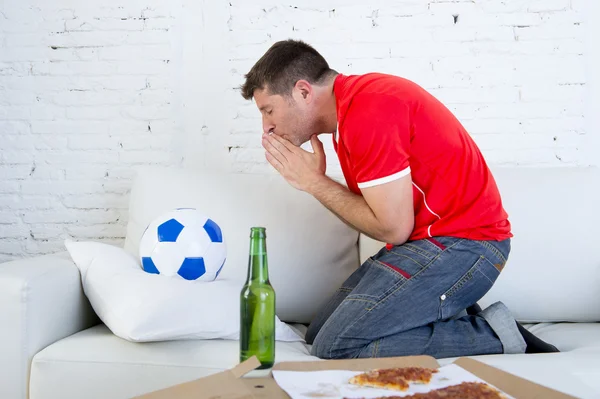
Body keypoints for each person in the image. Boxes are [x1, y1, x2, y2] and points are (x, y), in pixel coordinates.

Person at [240, 39, 559, 359]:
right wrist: (315, 183)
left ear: (303, 91)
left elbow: (393, 229)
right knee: (319, 332)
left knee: (336, 346)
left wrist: (315, 183)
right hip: (426, 245)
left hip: (468, 245)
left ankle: (495, 334)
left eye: (268, 110)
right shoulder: (351, 112)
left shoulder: (368, 111)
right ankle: (448, 311)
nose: (267, 127)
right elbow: (379, 217)